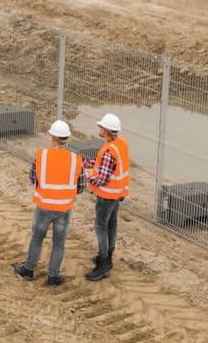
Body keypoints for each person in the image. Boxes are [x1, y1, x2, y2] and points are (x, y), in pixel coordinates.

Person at [13, 120, 85, 286]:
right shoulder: (76, 160)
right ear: (67, 138)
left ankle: (29, 269)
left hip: (44, 206)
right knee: (59, 243)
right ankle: (53, 276)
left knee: (37, 238)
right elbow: (81, 187)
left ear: (52, 137)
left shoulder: (41, 156)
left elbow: (33, 178)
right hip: (64, 208)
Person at [84, 113, 129, 281]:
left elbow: (101, 179)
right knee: (112, 225)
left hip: (106, 196)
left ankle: (102, 264)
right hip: (117, 194)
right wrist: (85, 163)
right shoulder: (119, 145)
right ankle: (108, 258)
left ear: (107, 130)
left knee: (101, 227)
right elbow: (101, 165)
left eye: (101, 127)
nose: (99, 128)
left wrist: (86, 176)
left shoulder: (109, 151)